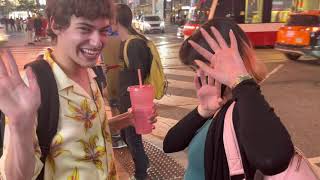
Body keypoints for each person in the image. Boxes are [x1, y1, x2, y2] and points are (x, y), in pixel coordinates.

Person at [0, 0, 157, 179]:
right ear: (56, 25)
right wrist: (20, 125)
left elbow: (87, 130)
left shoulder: (91, 71)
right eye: (84, 29)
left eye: (103, 31)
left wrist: (127, 119)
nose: (97, 42)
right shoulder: (33, 84)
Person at [163, 18, 294, 180]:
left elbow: (273, 159)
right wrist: (202, 111)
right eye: (195, 69)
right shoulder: (218, 104)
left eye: (204, 66)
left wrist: (241, 81)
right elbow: (170, 144)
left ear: (234, 61)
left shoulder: (244, 109)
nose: (198, 75)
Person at [110, 4, 153, 180]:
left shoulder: (134, 44)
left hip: (134, 103)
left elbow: (139, 77)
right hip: (126, 100)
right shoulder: (126, 42)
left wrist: (138, 106)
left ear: (115, 20)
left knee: (134, 140)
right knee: (129, 139)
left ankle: (142, 173)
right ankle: (144, 163)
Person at [101, 26, 128, 149]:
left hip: (110, 73)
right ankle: (120, 135)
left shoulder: (104, 35)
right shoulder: (124, 35)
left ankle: (117, 135)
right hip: (120, 74)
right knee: (119, 104)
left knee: (114, 104)